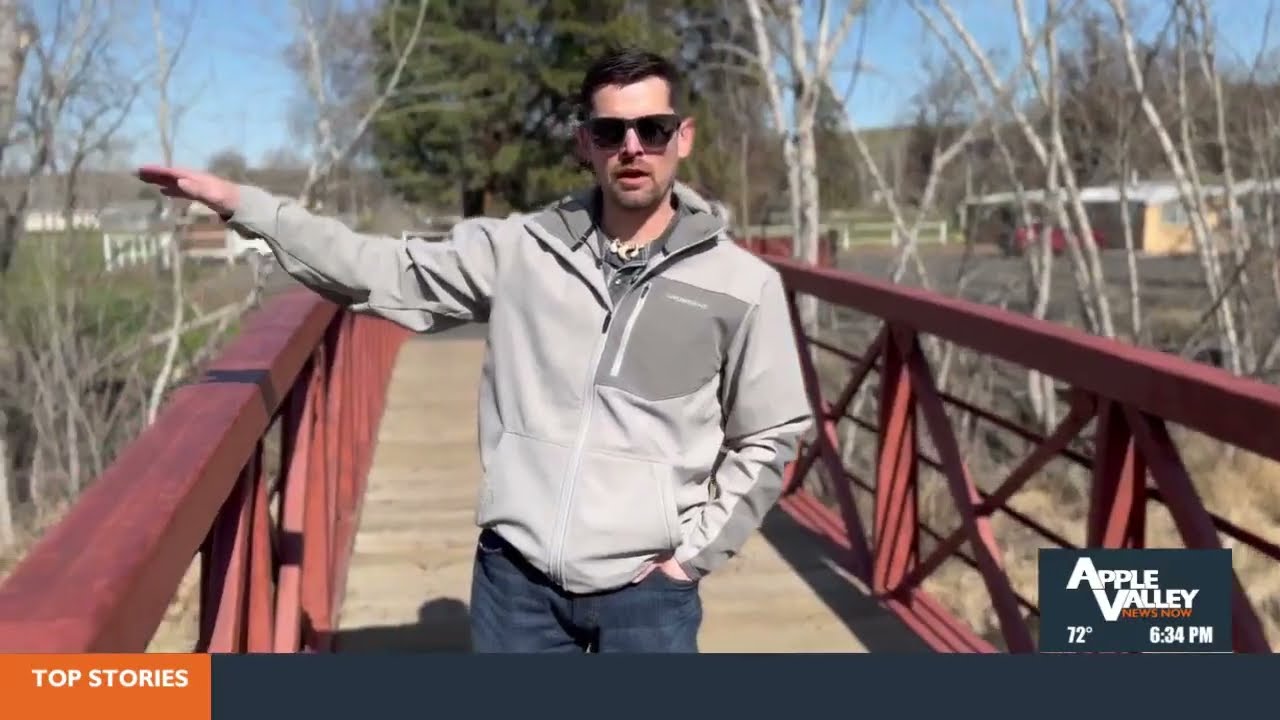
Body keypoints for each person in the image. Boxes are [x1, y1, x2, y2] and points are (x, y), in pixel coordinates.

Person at [137, 48, 812, 654]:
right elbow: (378, 270)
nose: (632, 147)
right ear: (586, 142)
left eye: (652, 130)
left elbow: (774, 431)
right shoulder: (525, 248)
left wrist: (690, 558)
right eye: (610, 132)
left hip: (648, 595)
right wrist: (245, 206)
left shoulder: (741, 284)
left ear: (682, 137)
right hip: (515, 581)